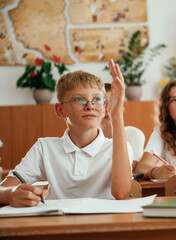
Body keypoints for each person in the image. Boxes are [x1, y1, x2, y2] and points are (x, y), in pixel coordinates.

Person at [0, 59, 133, 207]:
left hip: (103, 226)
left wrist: (117, 116)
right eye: (79, 99)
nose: (90, 106)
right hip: (57, 224)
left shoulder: (118, 147)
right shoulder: (45, 148)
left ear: (104, 108)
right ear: (60, 110)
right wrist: (10, 194)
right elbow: (3, 189)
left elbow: (121, 193)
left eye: (97, 99)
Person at [100, 83, 143, 170]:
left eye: (114, 103)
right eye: (103, 103)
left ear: (122, 108)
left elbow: (130, 167)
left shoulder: (133, 134)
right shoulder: (86, 137)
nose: (108, 109)